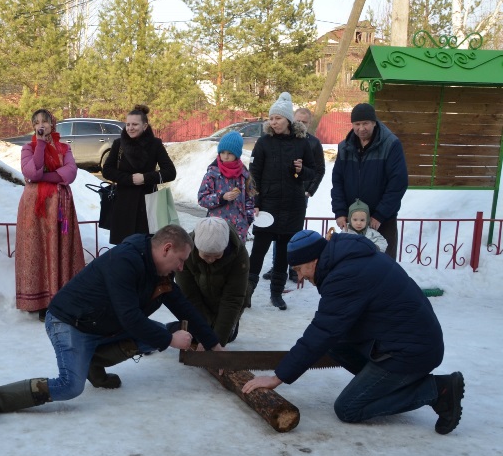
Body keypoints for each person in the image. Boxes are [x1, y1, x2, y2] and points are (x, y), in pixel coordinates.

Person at [0, 225, 224, 424]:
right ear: (167, 248)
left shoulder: (158, 272)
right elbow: (130, 318)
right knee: (70, 386)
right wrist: (169, 340)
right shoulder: (127, 261)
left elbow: (183, 306)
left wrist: (214, 345)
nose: (181, 267)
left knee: (155, 333)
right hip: (69, 323)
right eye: (181, 260)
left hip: (100, 323)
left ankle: (93, 363)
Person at [242, 230, 464, 434]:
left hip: (411, 352)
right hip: (407, 341)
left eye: (299, 269)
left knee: (348, 408)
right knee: (336, 344)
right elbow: (331, 331)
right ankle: (385, 385)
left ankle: (437, 391)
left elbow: (323, 330)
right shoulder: (349, 259)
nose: (300, 277)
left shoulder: (345, 276)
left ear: (314, 260)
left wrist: (277, 377)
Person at [245, 92, 317, 311]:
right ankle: (245, 293)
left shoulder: (302, 143)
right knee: (258, 250)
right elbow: (253, 174)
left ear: (288, 120)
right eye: (271, 118)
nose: (273, 122)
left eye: (277, 118)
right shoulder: (264, 143)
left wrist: (301, 170)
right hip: (267, 205)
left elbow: (312, 172)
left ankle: (276, 294)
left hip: (293, 206)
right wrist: (256, 200)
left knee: (283, 253)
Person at [15, 108, 85, 319]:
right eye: (36, 122)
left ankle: (61, 298)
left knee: (60, 248)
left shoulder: (64, 148)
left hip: (59, 205)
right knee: (37, 248)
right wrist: (42, 145)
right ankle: (41, 302)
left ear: (52, 124)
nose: (41, 125)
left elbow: (70, 173)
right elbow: (31, 172)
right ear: (33, 127)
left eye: (45, 121)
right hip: (35, 207)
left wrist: (46, 176)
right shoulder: (28, 148)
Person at [331, 102, 407, 259]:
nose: (361, 128)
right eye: (357, 124)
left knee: (383, 263)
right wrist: (339, 211)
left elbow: (398, 183)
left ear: (374, 122)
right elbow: (337, 181)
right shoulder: (344, 147)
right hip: (353, 219)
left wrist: (380, 214)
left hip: (381, 220)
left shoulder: (391, 144)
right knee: (354, 262)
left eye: (365, 123)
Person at [263, 106, 326, 281]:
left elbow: (319, 170)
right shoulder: (280, 140)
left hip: (300, 195)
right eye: (298, 121)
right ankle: (277, 266)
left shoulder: (313, 143)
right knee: (278, 232)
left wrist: (309, 191)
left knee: (293, 233)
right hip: (279, 194)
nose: (301, 124)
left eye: (304, 122)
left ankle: (294, 266)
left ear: (310, 123)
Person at [102, 104, 177, 244]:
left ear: (145, 126)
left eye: (135, 124)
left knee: (146, 247)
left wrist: (145, 178)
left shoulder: (155, 144)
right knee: (124, 249)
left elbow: (170, 172)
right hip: (123, 203)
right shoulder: (119, 144)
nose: (130, 128)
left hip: (148, 205)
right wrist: (129, 179)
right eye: (128, 124)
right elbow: (107, 170)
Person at [175, 217, 249, 346]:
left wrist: (215, 345)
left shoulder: (239, 256)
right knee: (194, 337)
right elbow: (189, 295)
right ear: (196, 248)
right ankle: (170, 330)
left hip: (223, 302)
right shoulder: (185, 252)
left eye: (217, 255)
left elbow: (232, 298)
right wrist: (204, 334)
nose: (211, 260)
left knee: (225, 337)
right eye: (206, 255)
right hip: (199, 301)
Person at [196, 131, 255, 241]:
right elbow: (202, 199)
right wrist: (221, 197)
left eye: (230, 153)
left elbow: (249, 199)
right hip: (217, 227)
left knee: (236, 257)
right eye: (222, 152)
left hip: (239, 229)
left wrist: (248, 219)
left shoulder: (244, 174)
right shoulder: (212, 174)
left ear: (237, 154)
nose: (226, 156)